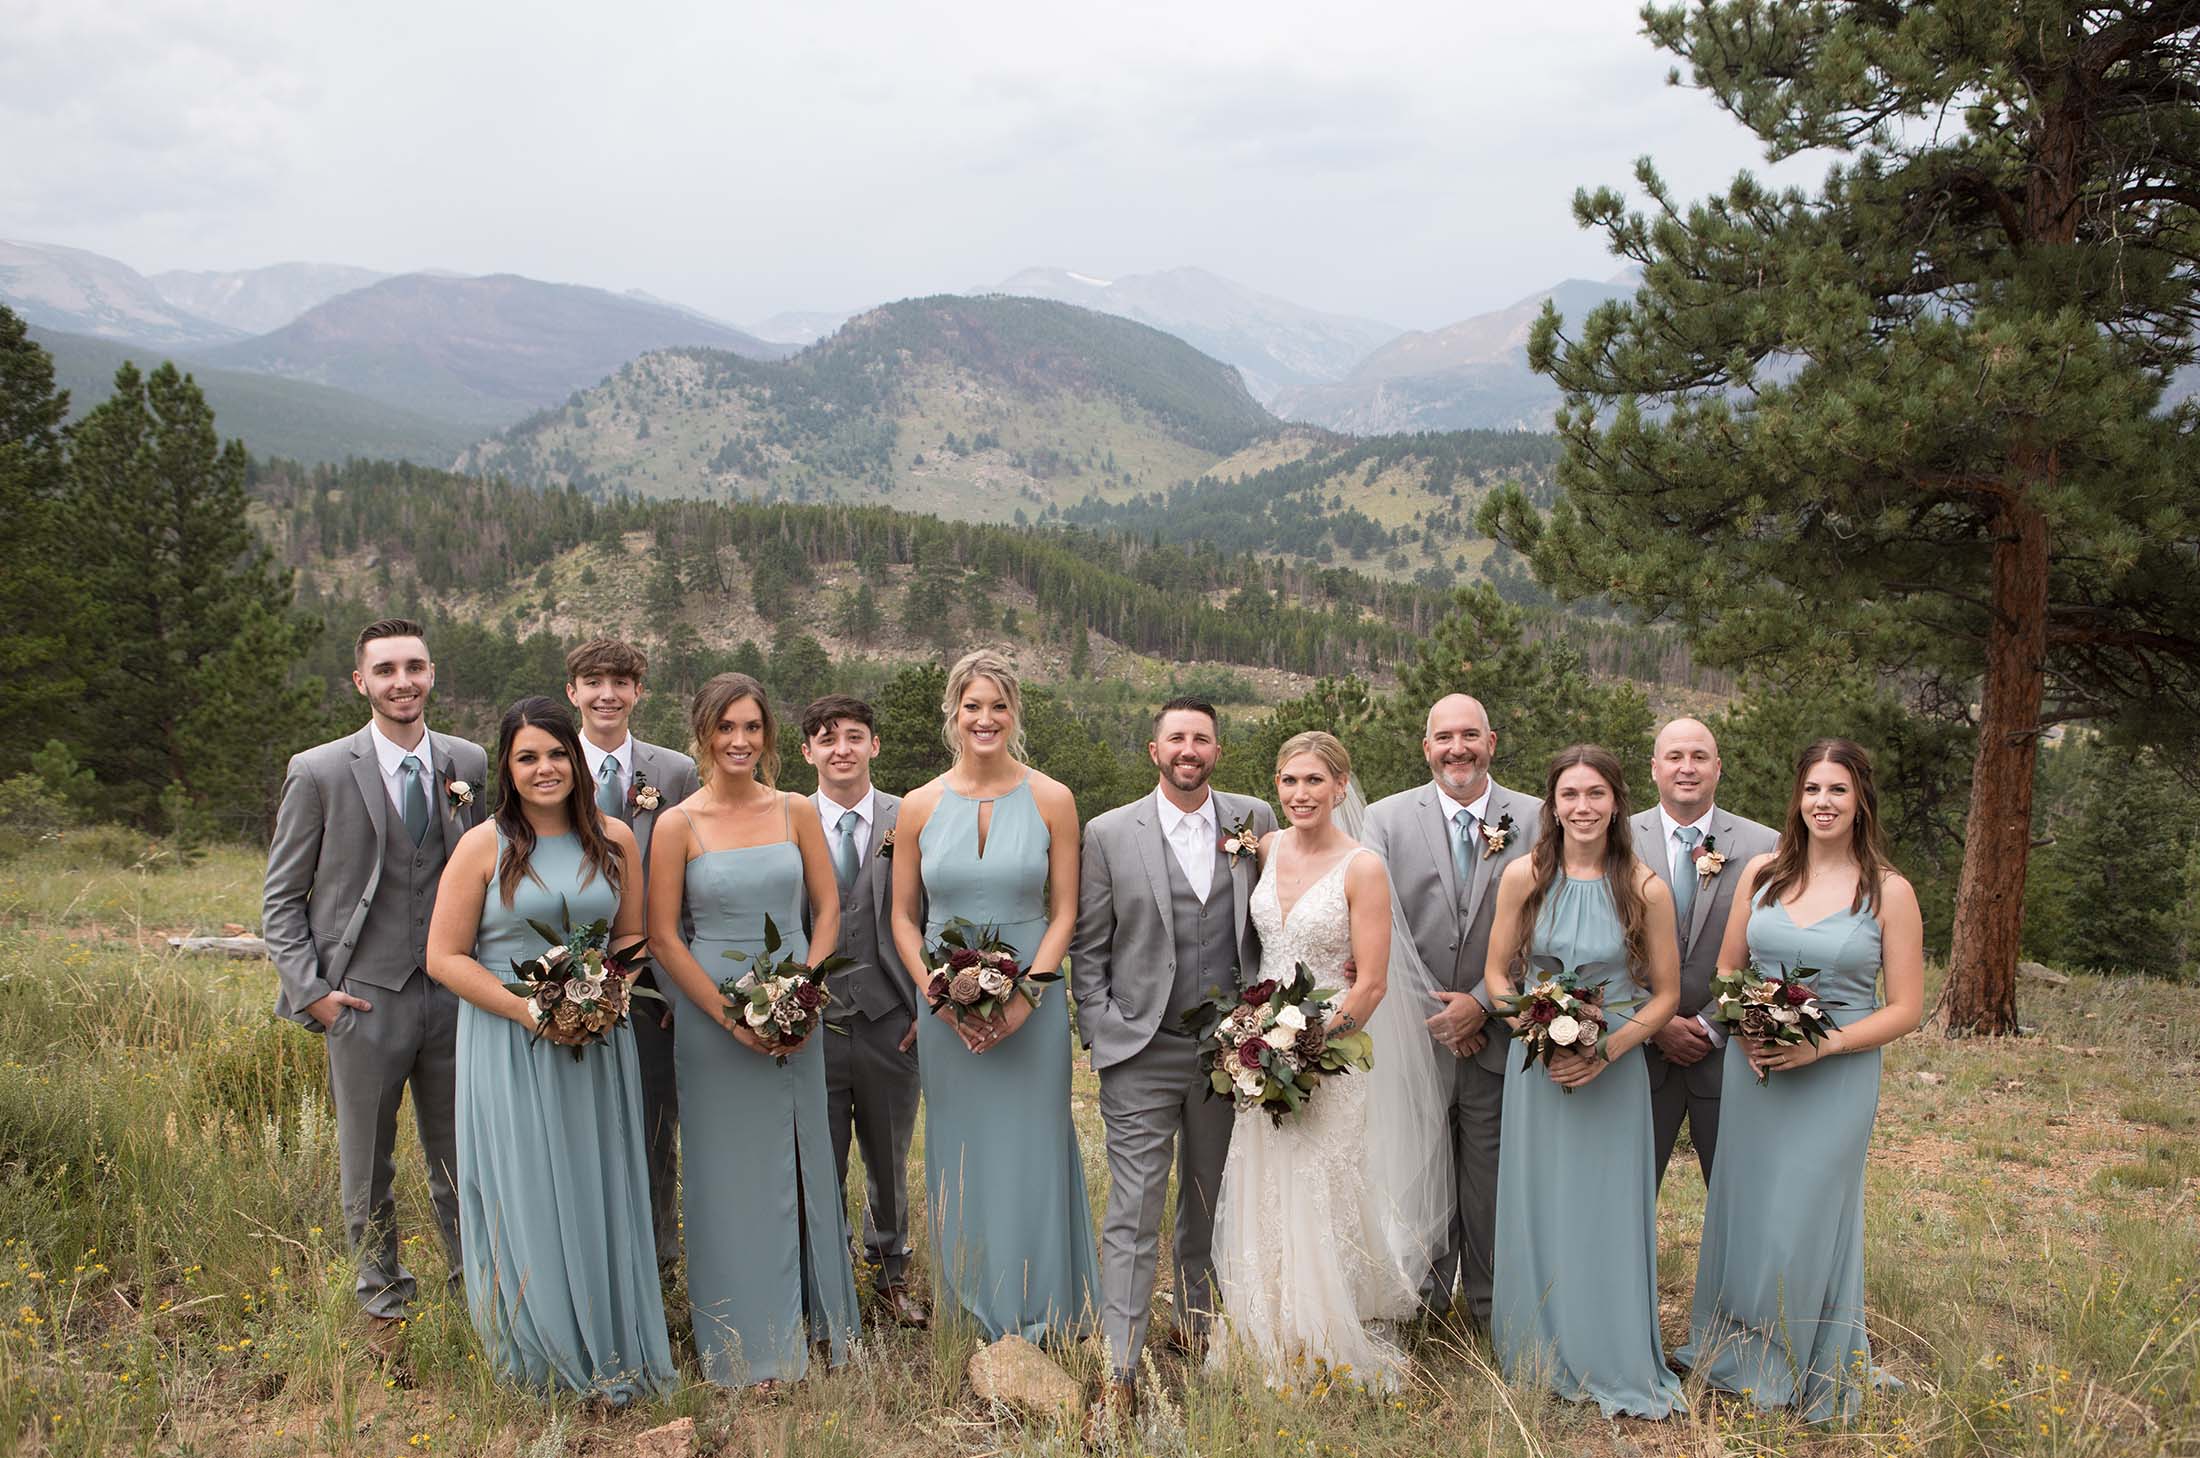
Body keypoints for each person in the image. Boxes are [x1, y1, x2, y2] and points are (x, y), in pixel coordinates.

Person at [423, 698, 674, 1401]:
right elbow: (444, 956)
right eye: (527, 756)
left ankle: (610, 1339)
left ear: (578, 761)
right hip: (507, 1044)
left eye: (557, 754)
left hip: (597, 1044)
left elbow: (630, 940)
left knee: (597, 1183)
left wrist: (603, 994)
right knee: (525, 1189)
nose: (545, 769)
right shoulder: (483, 844)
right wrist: (530, 1009)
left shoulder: (615, 838)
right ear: (506, 765)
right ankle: (538, 1356)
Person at [1677, 738, 1924, 1422]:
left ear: (1861, 800)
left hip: (1835, 1076)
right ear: (1798, 799)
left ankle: (1804, 1356)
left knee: (1807, 1213)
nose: (1823, 802)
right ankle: (1738, 1349)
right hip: (1755, 1069)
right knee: (1748, 1205)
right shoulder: (1762, 875)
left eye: (1838, 790)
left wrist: (1823, 1048)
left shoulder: (1888, 891)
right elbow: (1728, 975)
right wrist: (1748, 1026)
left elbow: (1906, 1006)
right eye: (1813, 789)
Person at [263, 618, 486, 1349]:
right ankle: (383, 1307)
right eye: (385, 670)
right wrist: (314, 993)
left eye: (414, 667)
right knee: (368, 1167)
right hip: (362, 998)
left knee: (466, 1160)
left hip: (456, 999)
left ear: (432, 675)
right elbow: (281, 899)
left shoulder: (468, 763)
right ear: (361, 682)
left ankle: (477, 1295)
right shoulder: (320, 770)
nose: (402, 682)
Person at [1209, 731, 1449, 1390]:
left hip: (1327, 1054)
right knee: (1264, 1181)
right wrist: (1258, 1044)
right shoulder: (1268, 848)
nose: (1300, 794)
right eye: (1288, 781)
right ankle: (1265, 1328)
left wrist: (1306, 1050)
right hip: (1261, 1049)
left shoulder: (1363, 866)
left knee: (1320, 1185)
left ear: (1342, 786)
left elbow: (1369, 982)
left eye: (1314, 781)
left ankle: (1322, 1335)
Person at [648, 673, 860, 1388]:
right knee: (726, 1172)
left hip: (798, 1010)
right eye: (725, 727)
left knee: (801, 1163)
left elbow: (828, 910)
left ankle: (820, 1323)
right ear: (703, 733)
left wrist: (800, 990)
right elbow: (662, 936)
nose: (739, 741)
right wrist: (727, 1016)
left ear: (768, 735)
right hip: (714, 1021)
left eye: (752, 727)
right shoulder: (678, 824)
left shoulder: (796, 809)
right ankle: (743, 1340)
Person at [1072, 697, 1276, 1428]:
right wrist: (1099, 1028)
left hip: (1232, 1049)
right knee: (1132, 1207)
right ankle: (1119, 1369)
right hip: (1141, 1048)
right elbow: (1089, 943)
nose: (1189, 749)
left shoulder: (1255, 820)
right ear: (1154, 750)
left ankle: (1198, 1326)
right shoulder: (1107, 832)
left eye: (1202, 738)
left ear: (1217, 750)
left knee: (1212, 1198)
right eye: (1176, 738)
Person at [888, 650, 1099, 1343]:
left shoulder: (1053, 798)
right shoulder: (917, 806)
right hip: (944, 1007)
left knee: (1034, 1146)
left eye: (998, 706)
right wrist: (937, 995)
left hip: (1033, 1006)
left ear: (1014, 715)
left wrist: (1028, 997)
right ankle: (969, 1309)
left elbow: (1064, 910)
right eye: (972, 706)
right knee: (961, 1151)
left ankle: (1048, 1309)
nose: (985, 718)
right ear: (953, 713)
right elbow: (903, 916)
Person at [1484, 744, 1684, 1419]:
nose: (1583, 807)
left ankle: (1609, 1347)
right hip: (1537, 1063)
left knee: (1604, 1207)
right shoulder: (1524, 876)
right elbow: (1495, 976)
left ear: (1617, 802)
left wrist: (1610, 1050)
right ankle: (1533, 1348)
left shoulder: (1646, 887)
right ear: (1553, 805)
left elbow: (1664, 994)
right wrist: (1534, 1034)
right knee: (1538, 1202)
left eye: (1595, 794)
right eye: (1569, 795)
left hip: (1616, 1066)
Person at [1359, 693, 1540, 1326]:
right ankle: (1423, 1309)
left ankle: (1492, 1313)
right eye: (1444, 737)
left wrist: (1484, 1006)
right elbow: (1377, 928)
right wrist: (1439, 1014)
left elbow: (1550, 927)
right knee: (1419, 1176)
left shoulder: (1541, 818)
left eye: (1470, 736)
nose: (1456, 749)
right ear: (1425, 746)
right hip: (1413, 1036)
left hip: (1505, 1035)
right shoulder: (1383, 820)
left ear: (1492, 741)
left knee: (1491, 1183)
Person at [565, 637, 700, 1269]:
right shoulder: (548, 764)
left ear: (638, 692)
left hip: (657, 988)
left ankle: (659, 1259)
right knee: (578, 1125)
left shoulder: (673, 773)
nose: (607, 695)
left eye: (620, 682)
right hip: (566, 977)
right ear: (574, 693)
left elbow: (697, 883)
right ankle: (592, 1256)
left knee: (654, 1129)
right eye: (593, 682)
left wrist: (677, 986)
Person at [800, 693, 928, 1330]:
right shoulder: (788, 819)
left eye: (853, 737)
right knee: (816, 1159)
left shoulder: (913, 816)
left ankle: (891, 1277)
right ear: (807, 753)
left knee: (888, 1158)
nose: (841, 749)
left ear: (874, 745)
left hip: (891, 1022)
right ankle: (825, 1285)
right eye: (827, 739)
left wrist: (922, 1007)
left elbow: (931, 913)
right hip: (811, 1023)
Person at [1629, 718, 1778, 1184]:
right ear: (1654, 768)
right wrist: (1655, 1023)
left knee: (1738, 1192)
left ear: (1719, 768)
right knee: (1627, 1190)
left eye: (1699, 757)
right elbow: (1600, 947)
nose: (1686, 768)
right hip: (1636, 1050)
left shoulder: (1765, 845)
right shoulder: (1617, 841)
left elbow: (1770, 948)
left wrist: (1712, 1024)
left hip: (1730, 1048)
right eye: (1675, 757)